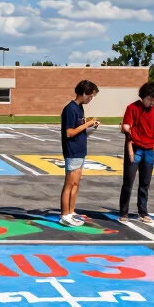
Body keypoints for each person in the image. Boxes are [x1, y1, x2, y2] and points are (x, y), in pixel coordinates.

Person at [118, 82, 154, 223]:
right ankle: (124, 212)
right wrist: (129, 148)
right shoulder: (132, 108)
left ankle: (143, 212)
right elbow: (126, 128)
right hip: (135, 148)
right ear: (144, 96)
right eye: (150, 99)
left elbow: (153, 132)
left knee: (145, 183)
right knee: (128, 182)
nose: (152, 102)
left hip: (149, 150)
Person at [59, 80, 101, 227]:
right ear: (83, 93)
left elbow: (80, 132)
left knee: (76, 184)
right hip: (72, 151)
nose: (91, 98)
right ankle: (64, 215)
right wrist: (87, 123)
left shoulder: (79, 108)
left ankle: (71, 212)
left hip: (80, 150)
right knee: (69, 183)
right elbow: (69, 133)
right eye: (91, 95)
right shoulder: (70, 109)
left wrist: (91, 127)